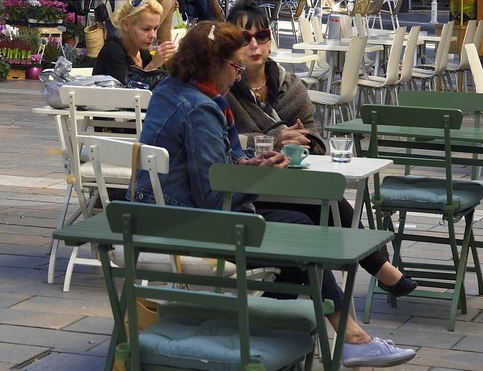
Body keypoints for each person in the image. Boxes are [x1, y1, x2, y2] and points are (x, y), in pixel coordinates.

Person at [134, 21, 417, 368]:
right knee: (298, 229)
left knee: (313, 210)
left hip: (163, 212)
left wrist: (252, 163)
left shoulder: (172, 90)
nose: (238, 76)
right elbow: (212, 194)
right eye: (235, 66)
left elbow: (218, 164)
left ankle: (338, 331)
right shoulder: (201, 108)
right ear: (214, 64)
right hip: (187, 224)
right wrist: (256, 178)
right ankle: (348, 334)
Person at [224, 2, 418, 302]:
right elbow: (229, 141)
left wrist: (302, 142)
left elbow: (315, 134)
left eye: (261, 36)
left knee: (322, 201)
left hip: (291, 182)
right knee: (321, 206)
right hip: (249, 189)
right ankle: (378, 271)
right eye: (243, 38)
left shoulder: (292, 87)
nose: (253, 45)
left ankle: (332, 298)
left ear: (270, 39)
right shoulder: (224, 90)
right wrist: (275, 139)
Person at [91, 0, 175, 86]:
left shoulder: (142, 52)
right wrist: (154, 64)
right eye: (146, 29)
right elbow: (129, 94)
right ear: (126, 24)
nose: (153, 36)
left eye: (155, 28)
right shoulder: (112, 51)